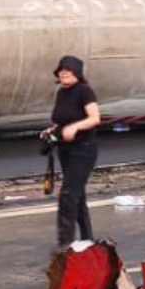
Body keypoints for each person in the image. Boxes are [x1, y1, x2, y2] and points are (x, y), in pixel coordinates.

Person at [43, 55, 101, 245]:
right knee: (78, 195)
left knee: (68, 195)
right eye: (61, 71)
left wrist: (75, 127)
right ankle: (87, 240)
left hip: (83, 149)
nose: (64, 74)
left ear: (77, 73)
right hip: (65, 150)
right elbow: (61, 120)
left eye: (68, 71)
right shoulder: (61, 92)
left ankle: (64, 245)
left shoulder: (85, 91)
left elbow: (94, 118)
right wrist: (52, 130)